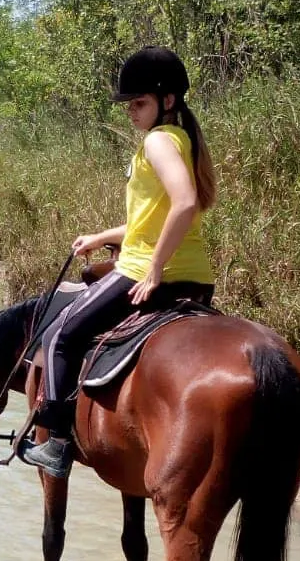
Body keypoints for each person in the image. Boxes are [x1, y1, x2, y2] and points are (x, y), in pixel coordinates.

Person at [20, 47, 217, 479]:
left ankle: (56, 443)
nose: (131, 111)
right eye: (129, 104)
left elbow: (185, 203)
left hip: (145, 271)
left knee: (58, 337)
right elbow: (151, 221)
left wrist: (154, 268)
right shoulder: (181, 139)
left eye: (139, 102)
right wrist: (101, 238)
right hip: (197, 277)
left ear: (168, 100)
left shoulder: (157, 141)